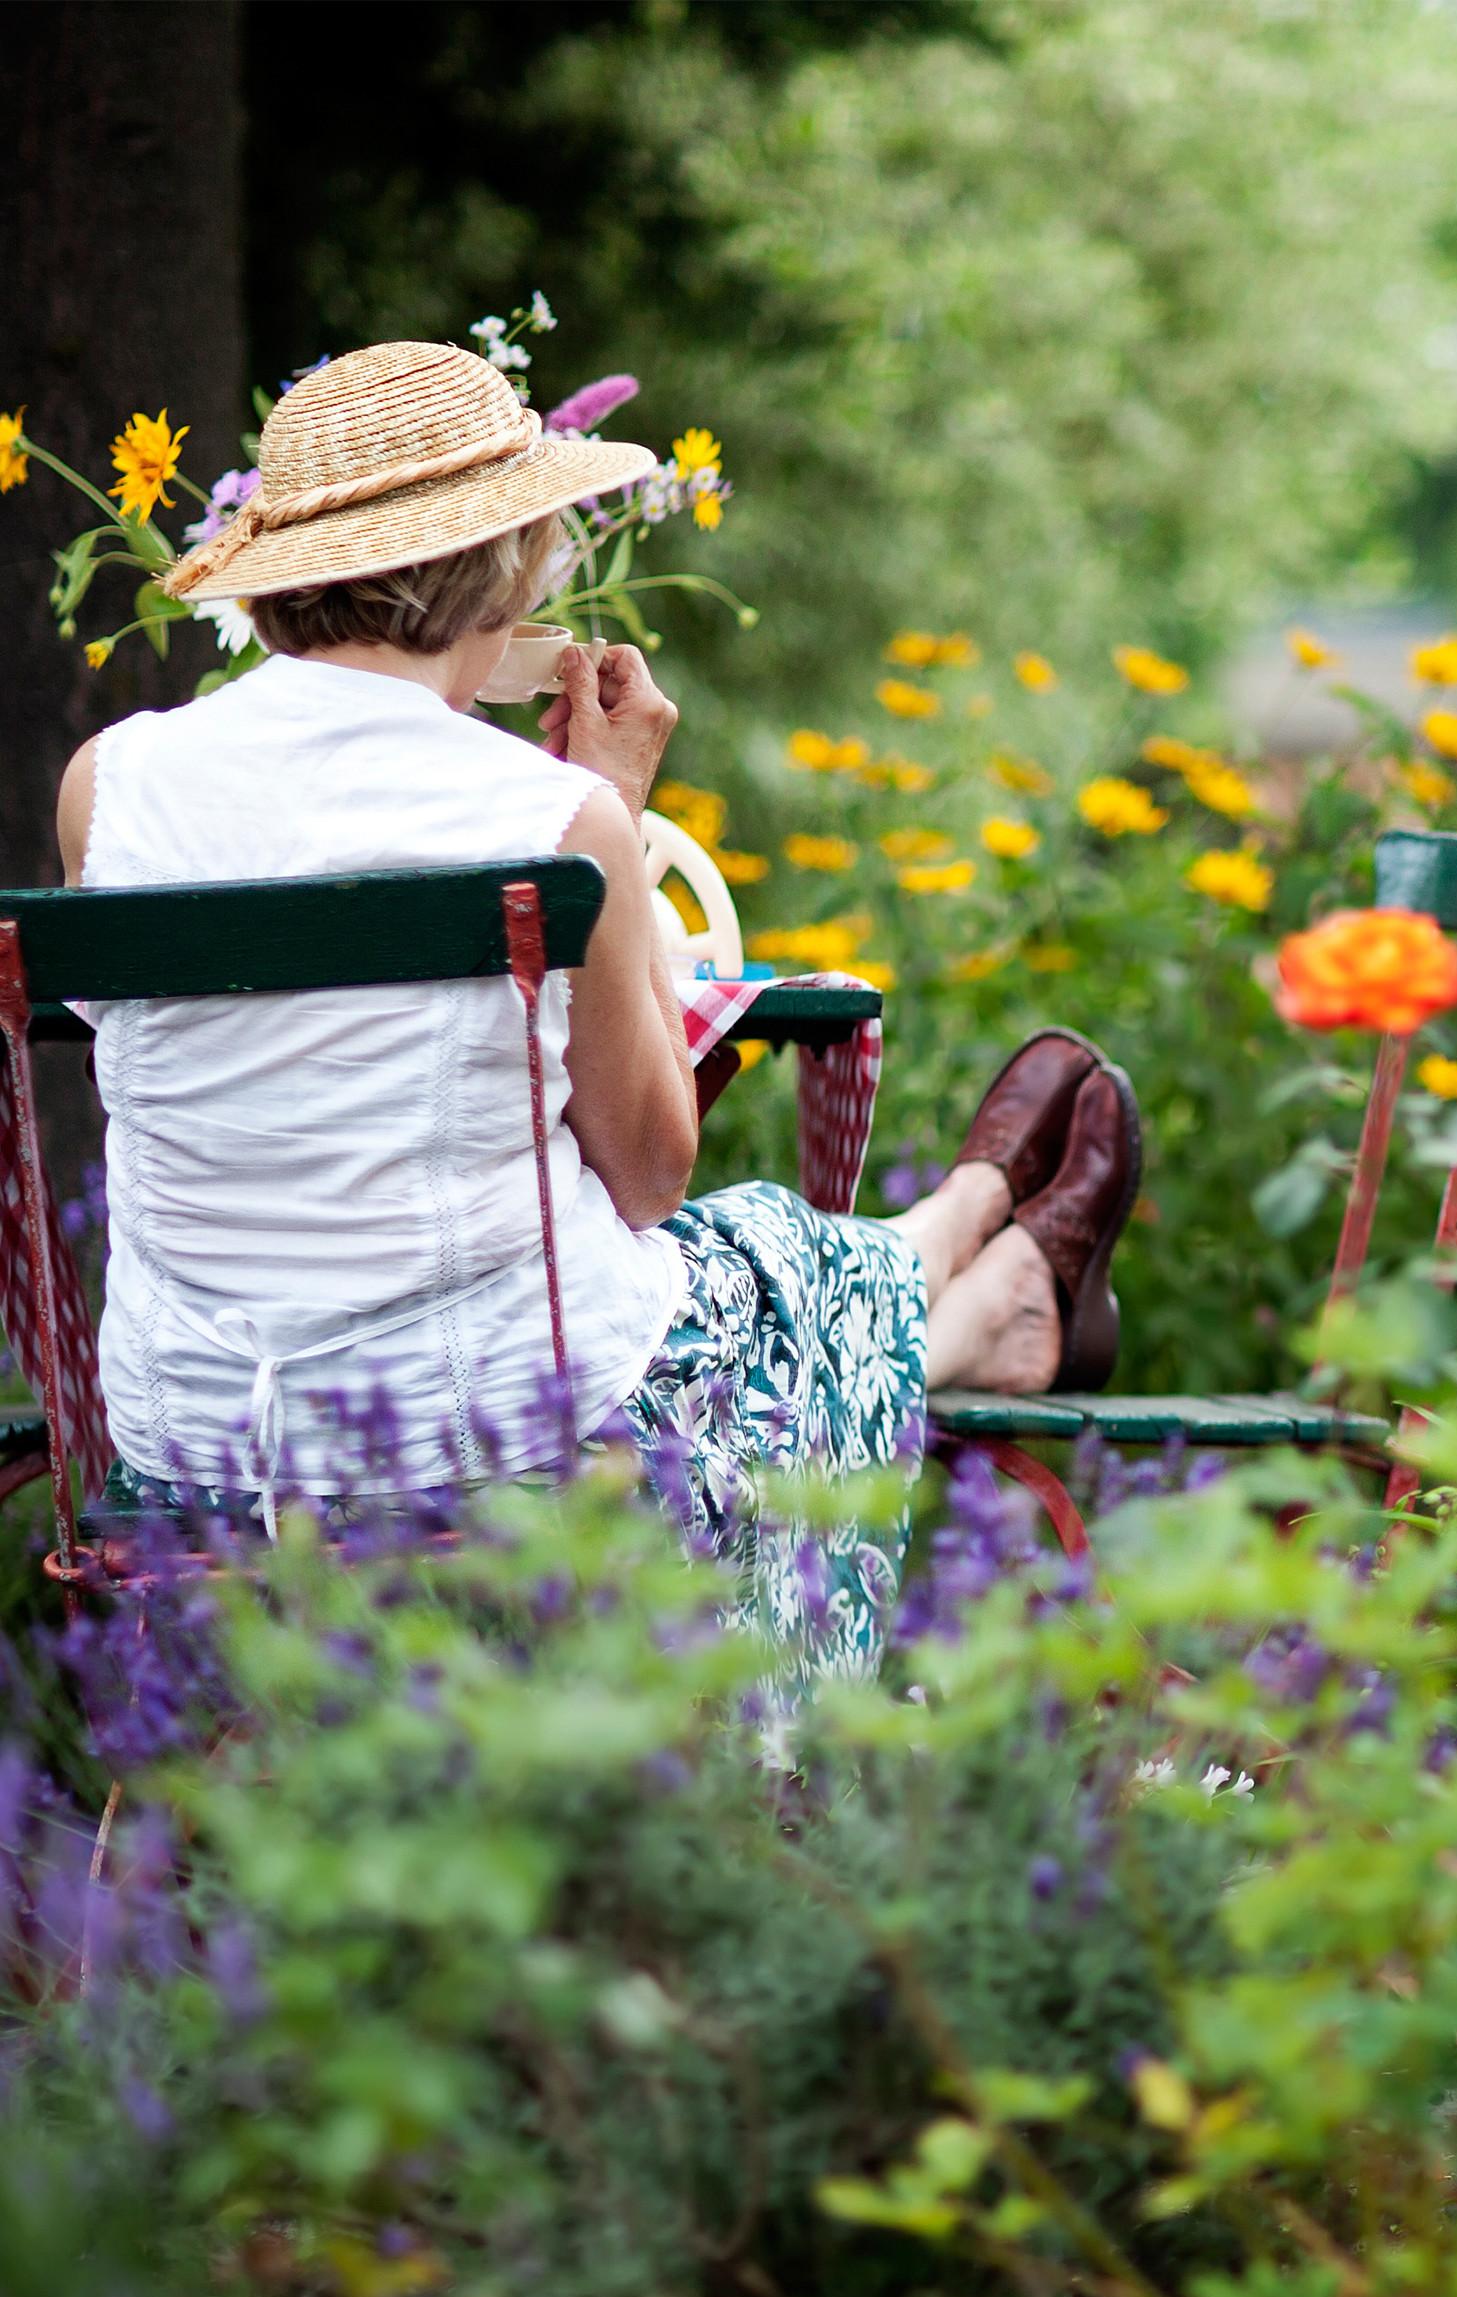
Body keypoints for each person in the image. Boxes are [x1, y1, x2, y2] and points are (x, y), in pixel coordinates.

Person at [56, 339, 1142, 1693]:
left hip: (196, 1449)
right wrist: (610, 814)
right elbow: (645, 1179)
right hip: (490, 1441)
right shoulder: (552, 819)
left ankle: (982, 1271)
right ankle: (974, 1266)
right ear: (505, 574)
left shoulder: (109, 784)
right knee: (769, 1248)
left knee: (746, 1267)